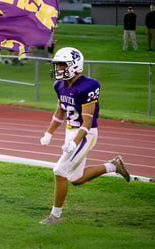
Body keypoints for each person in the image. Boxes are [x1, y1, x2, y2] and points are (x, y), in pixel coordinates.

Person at [38, 47, 131, 225]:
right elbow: (60, 111)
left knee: (59, 170)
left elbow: (87, 122)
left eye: (61, 65)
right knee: (75, 178)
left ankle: (55, 216)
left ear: (74, 66)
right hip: (70, 131)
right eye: (57, 65)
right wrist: (48, 133)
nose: (58, 69)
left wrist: (74, 141)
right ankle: (113, 166)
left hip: (86, 134)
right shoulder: (59, 85)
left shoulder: (89, 86)